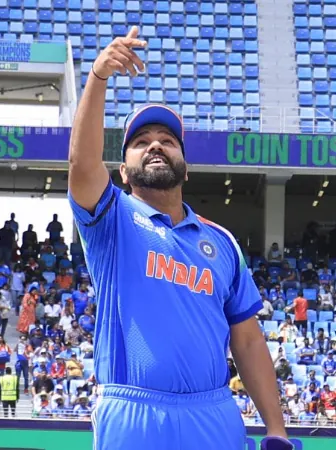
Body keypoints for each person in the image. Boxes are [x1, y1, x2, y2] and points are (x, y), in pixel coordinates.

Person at [67, 27, 288, 449]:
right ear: (123, 172)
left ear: (185, 169)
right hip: (134, 413)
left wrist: (276, 429)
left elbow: (246, 337)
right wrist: (98, 77)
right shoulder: (110, 218)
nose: (156, 145)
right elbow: (81, 162)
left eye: (168, 141)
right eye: (141, 142)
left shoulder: (221, 241)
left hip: (214, 414)